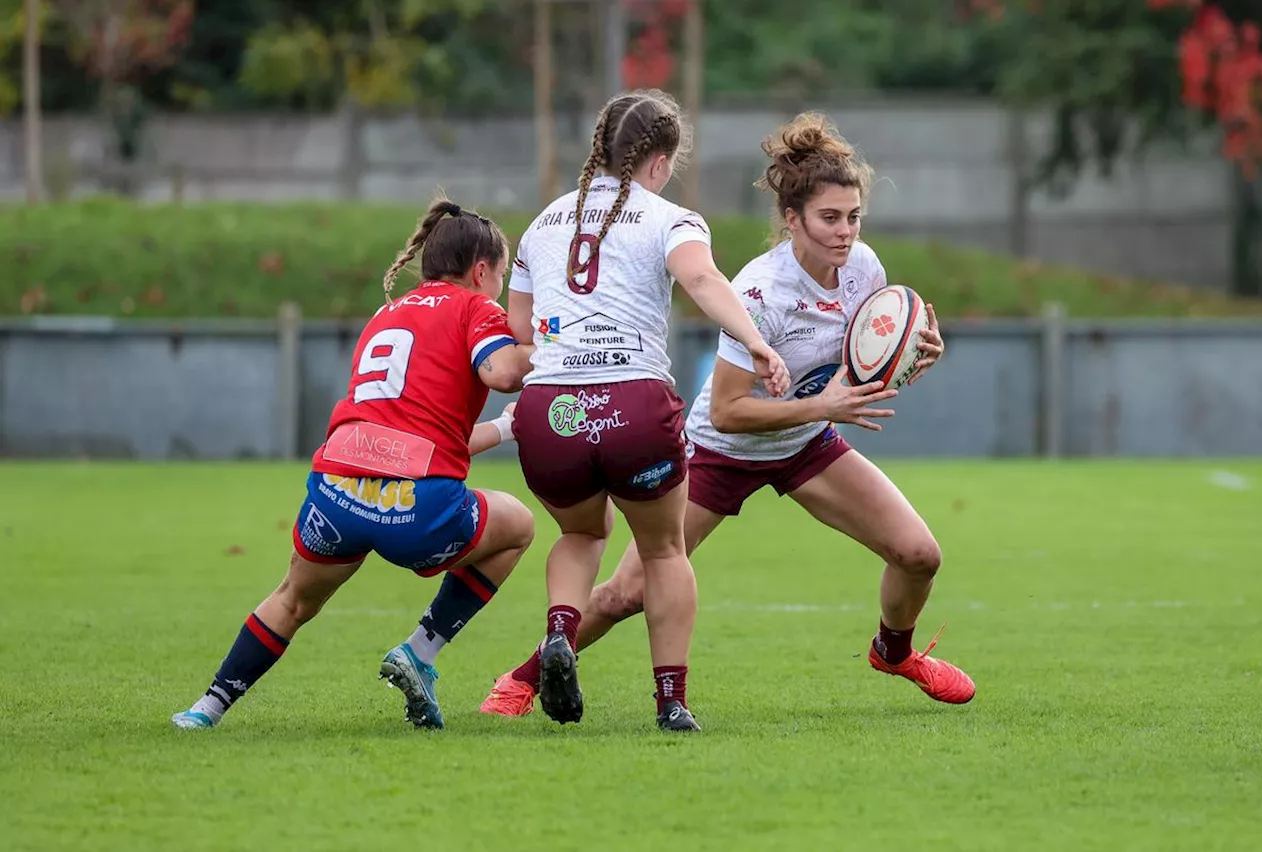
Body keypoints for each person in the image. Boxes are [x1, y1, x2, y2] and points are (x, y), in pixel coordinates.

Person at [481, 112, 974, 719]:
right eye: (829, 219)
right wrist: (824, 406)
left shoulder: (864, 269)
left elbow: (871, 352)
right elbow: (729, 411)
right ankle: (524, 677)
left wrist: (916, 349)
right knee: (626, 592)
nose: (845, 233)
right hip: (719, 453)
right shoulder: (760, 294)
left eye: (853, 218)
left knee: (919, 554)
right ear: (792, 220)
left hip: (805, 444)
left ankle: (892, 653)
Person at [172, 198, 537, 731]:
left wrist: (504, 430)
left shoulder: (387, 314)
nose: (500, 288)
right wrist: (563, 347)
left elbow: (416, 438)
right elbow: (504, 371)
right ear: (481, 271)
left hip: (338, 490)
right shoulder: (474, 308)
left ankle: (205, 709)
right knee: (519, 525)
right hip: (415, 508)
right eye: (502, 275)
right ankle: (421, 651)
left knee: (292, 599)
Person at [500, 88, 790, 733]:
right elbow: (704, 281)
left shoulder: (543, 224)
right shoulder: (671, 218)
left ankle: (559, 630)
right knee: (662, 552)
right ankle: (671, 702)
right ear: (660, 160)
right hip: (635, 405)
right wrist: (757, 342)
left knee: (581, 534)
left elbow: (520, 330)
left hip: (551, 413)